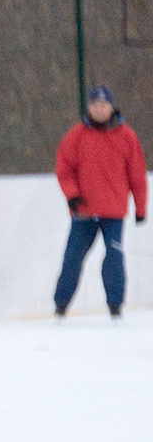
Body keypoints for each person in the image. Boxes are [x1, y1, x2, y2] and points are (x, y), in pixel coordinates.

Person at [53, 85, 148, 321]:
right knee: (73, 258)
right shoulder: (76, 136)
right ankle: (61, 306)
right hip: (84, 210)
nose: (99, 108)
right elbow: (64, 169)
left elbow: (137, 174)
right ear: (89, 107)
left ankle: (115, 306)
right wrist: (72, 195)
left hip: (114, 210)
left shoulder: (126, 136)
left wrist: (141, 207)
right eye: (95, 104)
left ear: (112, 106)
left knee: (114, 257)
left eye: (104, 104)